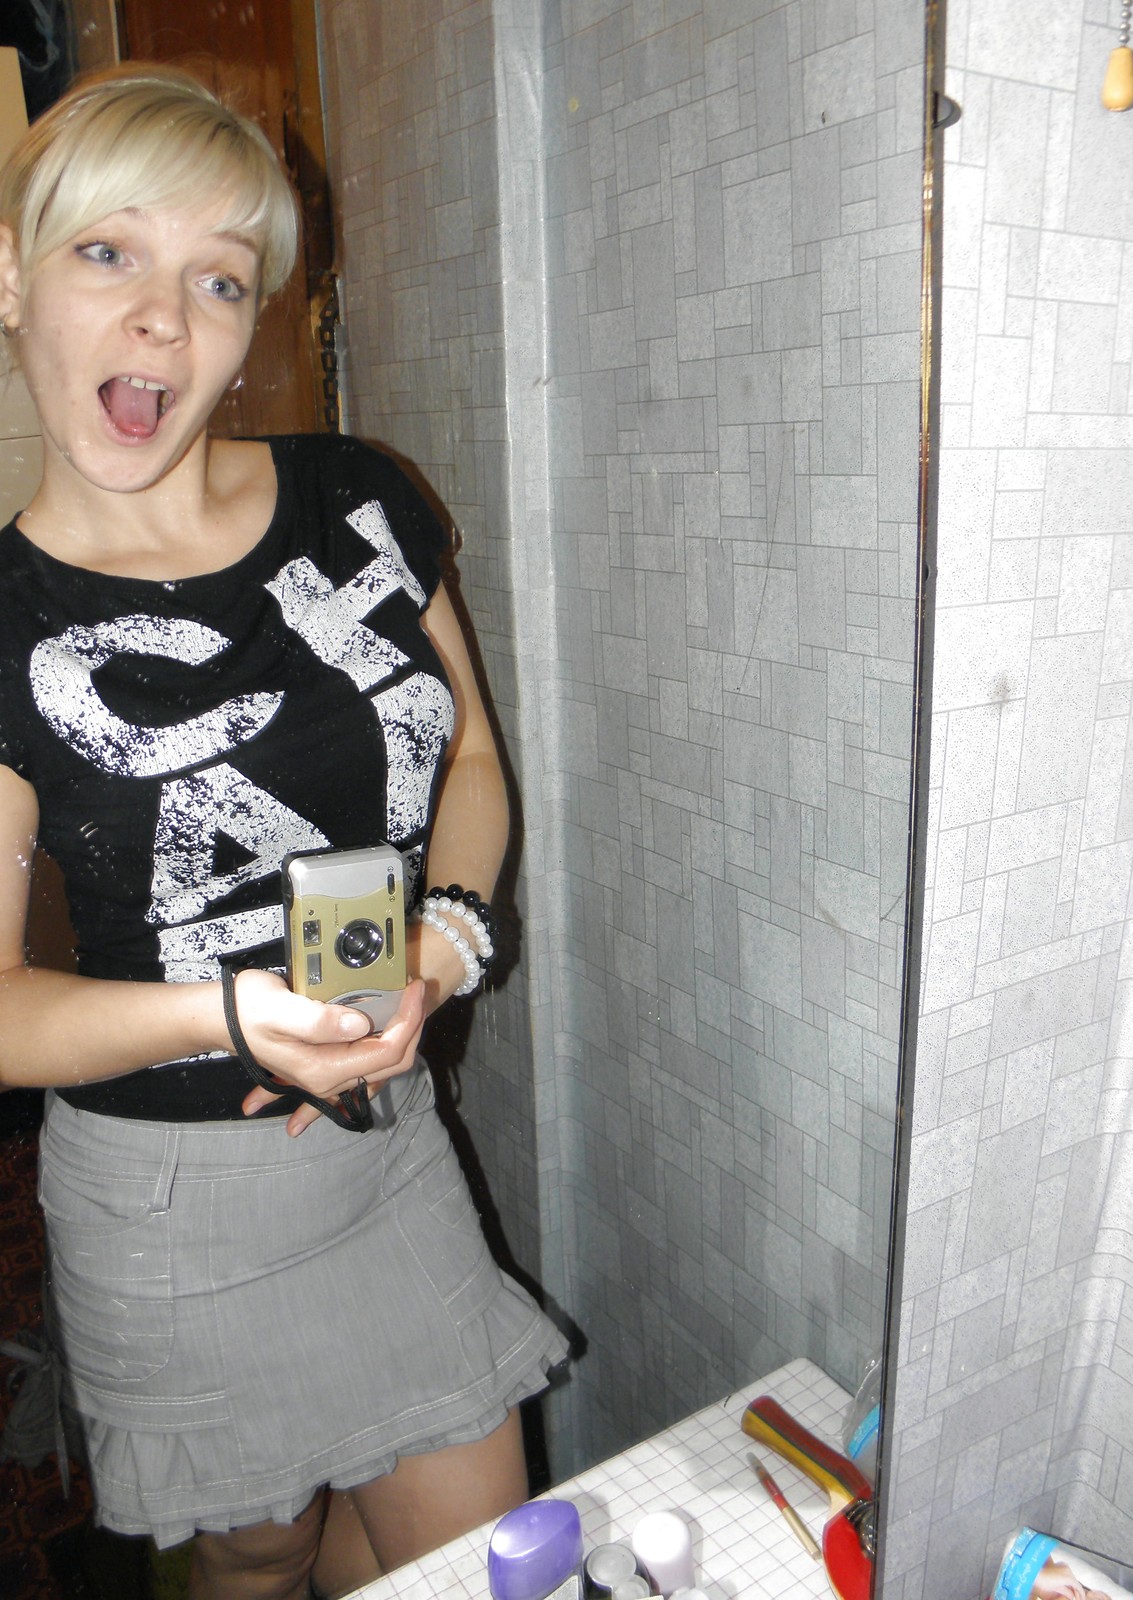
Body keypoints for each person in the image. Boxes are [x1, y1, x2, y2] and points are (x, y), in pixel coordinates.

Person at [0, 64, 567, 1600]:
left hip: (386, 1146)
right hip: (173, 1205)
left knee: (483, 1570)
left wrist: (440, 952)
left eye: (218, 279)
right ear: (10, 276)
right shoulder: (5, 623)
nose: (162, 321)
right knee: (261, 1555)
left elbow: (469, 758)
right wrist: (235, 1016)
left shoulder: (356, 500)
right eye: (107, 252)